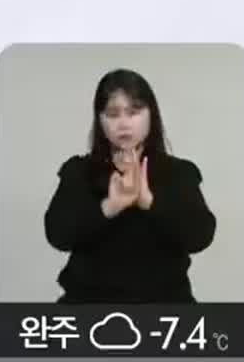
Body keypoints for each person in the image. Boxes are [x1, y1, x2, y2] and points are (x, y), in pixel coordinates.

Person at [42, 68, 217, 303]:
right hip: (88, 306)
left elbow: (200, 236)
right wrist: (109, 207)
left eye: (133, 112)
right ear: (100, 119)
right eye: (112, 114)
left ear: (150, 115)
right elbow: (58, 235)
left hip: (165, 308)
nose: (123, 123)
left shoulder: (179, 172)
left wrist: (149, 202)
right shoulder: (79, 171)